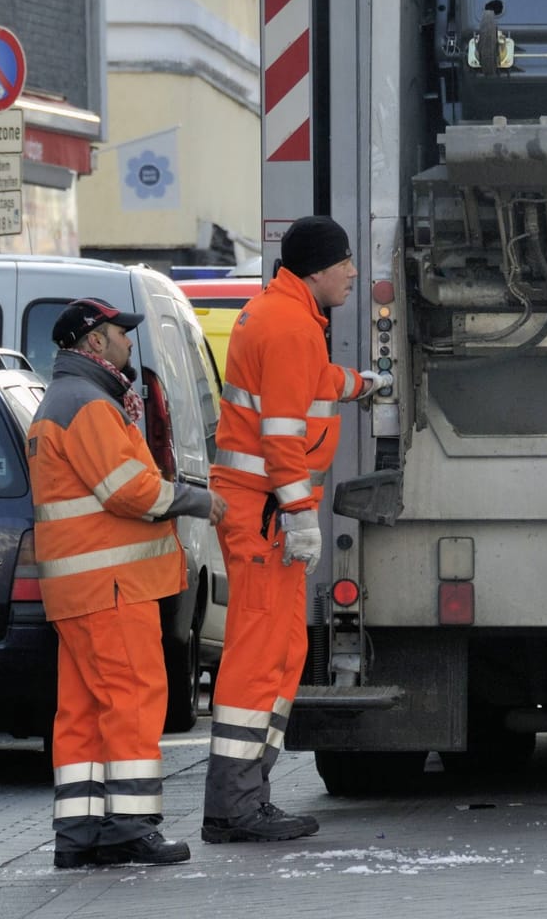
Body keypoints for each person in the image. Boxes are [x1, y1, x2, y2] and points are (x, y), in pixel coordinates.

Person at [201, 216, 391, 844]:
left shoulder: (283, 316)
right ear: (317, 268)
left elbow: (314, 387)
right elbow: (282, 435)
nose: (354, 273)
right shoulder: (287, 327)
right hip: (267, 515)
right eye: (345, 263)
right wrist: (300, 514)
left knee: (280, 651)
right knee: (260, 656)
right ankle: (234, 807)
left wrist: (365, 384)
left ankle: (244, 799)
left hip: (263, 512)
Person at [29, 297, 224, 868]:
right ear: (93, 342)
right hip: (111, 586)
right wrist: (195, 499)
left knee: (84, 710)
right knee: (133, 700)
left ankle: (81, 831)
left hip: (81, 590)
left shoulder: (62, 403)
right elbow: (129, 491)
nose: (129, 342)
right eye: (120, 333)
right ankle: (130, 826)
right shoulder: (88, 405)